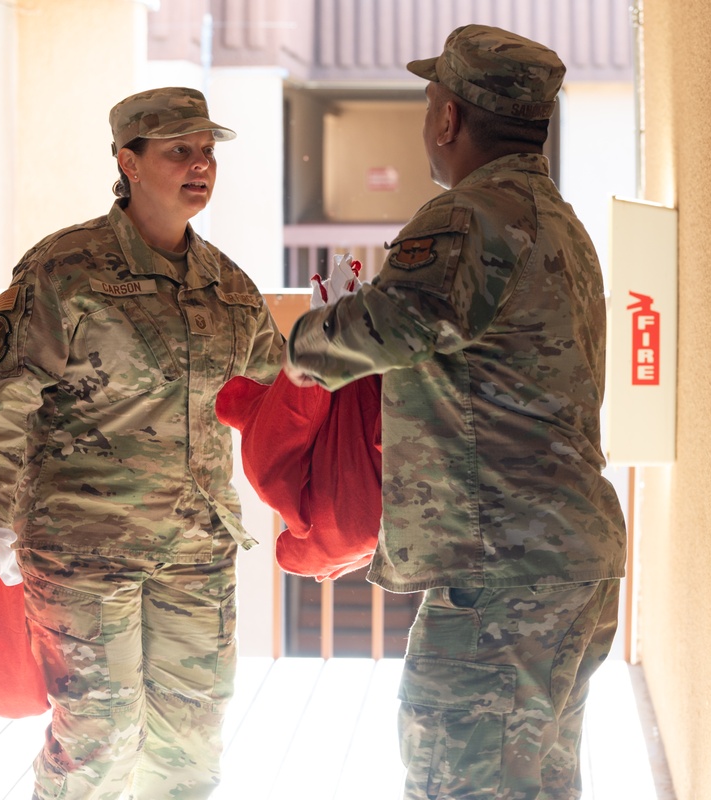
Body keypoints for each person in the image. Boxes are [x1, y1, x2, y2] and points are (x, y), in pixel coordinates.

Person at [283, 24, 627, 799]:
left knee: (459, 781)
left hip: (501, 568)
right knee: (536, 783)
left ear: (448, 118)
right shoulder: (561, 225)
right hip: (567, 558)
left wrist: (298, 344)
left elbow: (390, 326)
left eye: (431, 99)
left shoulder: (470, 217)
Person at [0, 87, 284, 799]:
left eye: (207, 152)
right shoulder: (65, 270)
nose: (199, 166)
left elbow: (278, 403)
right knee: (98, 735)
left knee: (190, 738)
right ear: (128, 162)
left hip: (196, 548)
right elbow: (0, 395)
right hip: (83, 547)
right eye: (178, 151)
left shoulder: (229, 286)